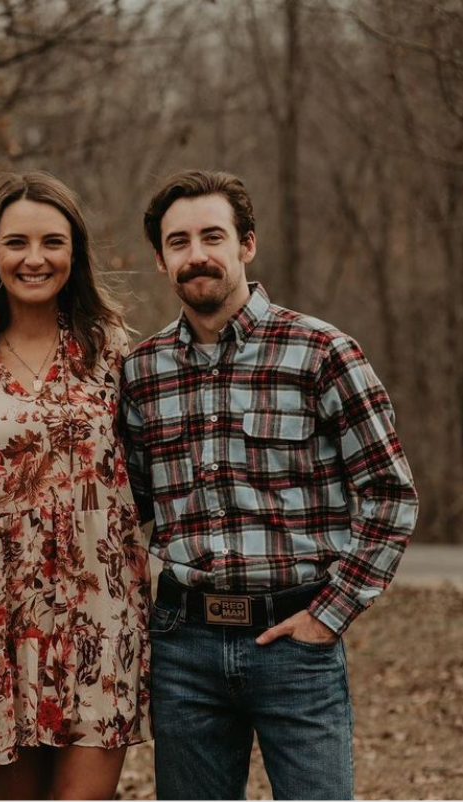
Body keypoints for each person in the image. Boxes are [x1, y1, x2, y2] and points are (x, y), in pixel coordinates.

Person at [121, 169, 419, 800]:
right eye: (178, 242)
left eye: (212, 236)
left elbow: (390, 494)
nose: (196, 254)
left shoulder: (321, 352)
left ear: (246, 244)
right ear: (160, 258)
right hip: (184, 647)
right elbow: (131, 506)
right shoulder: (141, 373)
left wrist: (329, 615)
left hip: (296, 642)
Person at [0, 171, 152, 799]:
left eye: (52, 242)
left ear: (75, 253)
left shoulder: (113, 352)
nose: (35, 259)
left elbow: (153, 469)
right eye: (16, 243)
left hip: (99, 614)